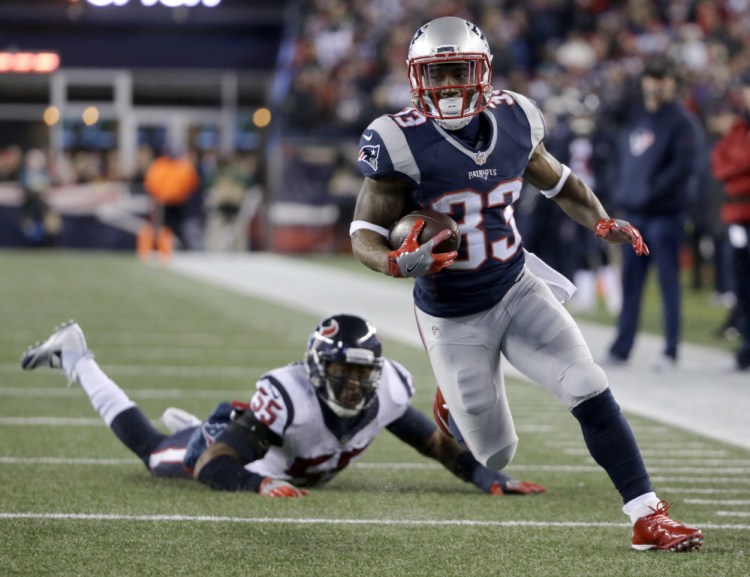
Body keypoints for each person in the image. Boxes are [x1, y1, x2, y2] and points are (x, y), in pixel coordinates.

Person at [348, 16, 703, 551]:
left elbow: (561, 182)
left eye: (457, 71)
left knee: (587, 382)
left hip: (516, 286)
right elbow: (363, 233)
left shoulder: (516, 118)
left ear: (482, 70)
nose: (447, 86)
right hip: (453, 313)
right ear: (417, 79)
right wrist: (394, 263)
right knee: (494, 454)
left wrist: (602, 221)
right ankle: (452, 401)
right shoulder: (398, 140)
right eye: (436, 75)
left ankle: (646, 515)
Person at [20, 315, 545, 498]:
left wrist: (483, 476)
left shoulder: (385, 393)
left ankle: (207, 423)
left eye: (362, 374)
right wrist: (260, 483)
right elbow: (212, 468)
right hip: (242, 450)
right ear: (317, 370)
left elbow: (433, 443)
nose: (353, 386)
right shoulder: (289, 398)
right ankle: (76, 356)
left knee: (219, 435)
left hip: (272, 446)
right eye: (342, 374)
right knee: (156, 454)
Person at [606, 57, 704, 370]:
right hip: (634, 214)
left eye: (663, 78)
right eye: (652, 77)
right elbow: (609, 126)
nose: (657, 84)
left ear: (674, 83)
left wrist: (647, 192)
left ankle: (670, 350)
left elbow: (682, 169)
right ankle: (622, 347)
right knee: (630, 283)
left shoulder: (682, 121)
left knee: (667, 282)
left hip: (665, 215)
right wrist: (621, 189)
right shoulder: (634, 116)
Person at [710, 72, 750, 372]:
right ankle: (747, 343)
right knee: (742, 282)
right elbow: (719, 165)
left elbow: (731, 164)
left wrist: (735, 168)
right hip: (737, 216)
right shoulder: (737, 129)